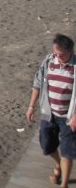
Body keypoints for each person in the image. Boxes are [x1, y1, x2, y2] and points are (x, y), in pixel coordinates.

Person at [27, 33, 76, 187]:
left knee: (67, 152)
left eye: (61, 54)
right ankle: (58, 164)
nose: (57, 56)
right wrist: (31, 106)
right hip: (49, 114)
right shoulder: (48, 61)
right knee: (46, 145)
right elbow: (37, 84)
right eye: (55, 53)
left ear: (70, 51)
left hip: (69, 117)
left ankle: (64, 184)